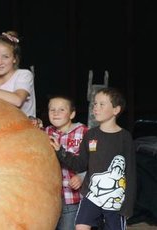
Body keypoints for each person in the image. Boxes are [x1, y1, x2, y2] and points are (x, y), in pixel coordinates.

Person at [50, 87, 136, 230]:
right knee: (81, 226)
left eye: (102, 104)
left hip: (115, 199)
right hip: (92, 195)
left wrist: (128, 206)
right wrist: (60, 151)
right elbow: (80, 164)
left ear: (116, 110)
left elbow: (131, 173)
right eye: (95, 104)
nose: (96, 108)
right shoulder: (90, 135)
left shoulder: (125, 137)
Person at [45, 95, 88, 230]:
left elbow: (95, 161)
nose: (56, 113)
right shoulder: (45, 132)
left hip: (72, 198)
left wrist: (82, 176)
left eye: (62, 110)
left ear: (72, 114)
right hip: (50, 197)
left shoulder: (84, 132)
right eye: (52, 110)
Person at [0, 31, 36, 118]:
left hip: (22, 128)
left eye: (6, 57)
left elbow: (17, 100)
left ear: (14, 58)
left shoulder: (24, 75)